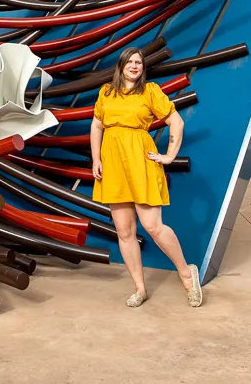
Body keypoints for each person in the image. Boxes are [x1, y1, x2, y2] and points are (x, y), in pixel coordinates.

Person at [90, 46, 202, 308]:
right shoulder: (106, 92)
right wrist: (96, 158)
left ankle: (187, 274)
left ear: (142, 68)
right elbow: (96, 125)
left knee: (153, 227)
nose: (134, 65)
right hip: (114, 167)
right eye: (130, 61)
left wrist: (169, 155)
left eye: (138, 62)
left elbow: (177, 122)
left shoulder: (150, 91)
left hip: (141, 164)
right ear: (121, 66)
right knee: (125, 231)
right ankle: (140, 288)